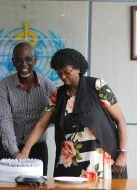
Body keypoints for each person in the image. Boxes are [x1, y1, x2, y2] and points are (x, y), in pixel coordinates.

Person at [16, 48, 127, 180]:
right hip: (69, 163)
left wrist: (123, 154)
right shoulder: (58, 95)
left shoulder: (97, 86)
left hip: (98, 162)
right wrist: (25, 151)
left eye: (67, 72)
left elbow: (120, 120)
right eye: (59, 73)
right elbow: (41, 125)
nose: (63, 76)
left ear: (78, 69)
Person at [0, 42, 56, 176]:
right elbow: (5, 120)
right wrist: (16, 154)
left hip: (38, 148)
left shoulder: (49, 87)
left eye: (28, 59)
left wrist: (42, 126)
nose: (24, 64)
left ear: (35, 60)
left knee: (37, 185)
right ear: (13, 62)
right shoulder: (3, 87)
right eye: (19, 60)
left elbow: (53, 118)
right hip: (9, 148)